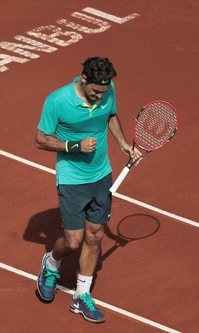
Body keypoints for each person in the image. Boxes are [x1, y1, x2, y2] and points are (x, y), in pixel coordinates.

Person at [34, 57, 142, 324]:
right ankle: (51, 264)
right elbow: (40, 140)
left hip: (102, 175)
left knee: (94, 237)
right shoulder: (57, 101)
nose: (99, 97)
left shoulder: (107, 90)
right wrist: (74, 146)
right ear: (83, 78)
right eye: (95, 91)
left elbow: (111, 116)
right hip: (72, 179)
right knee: (73, 241)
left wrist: (124, 145)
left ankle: (81, 296)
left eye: (103, 92)